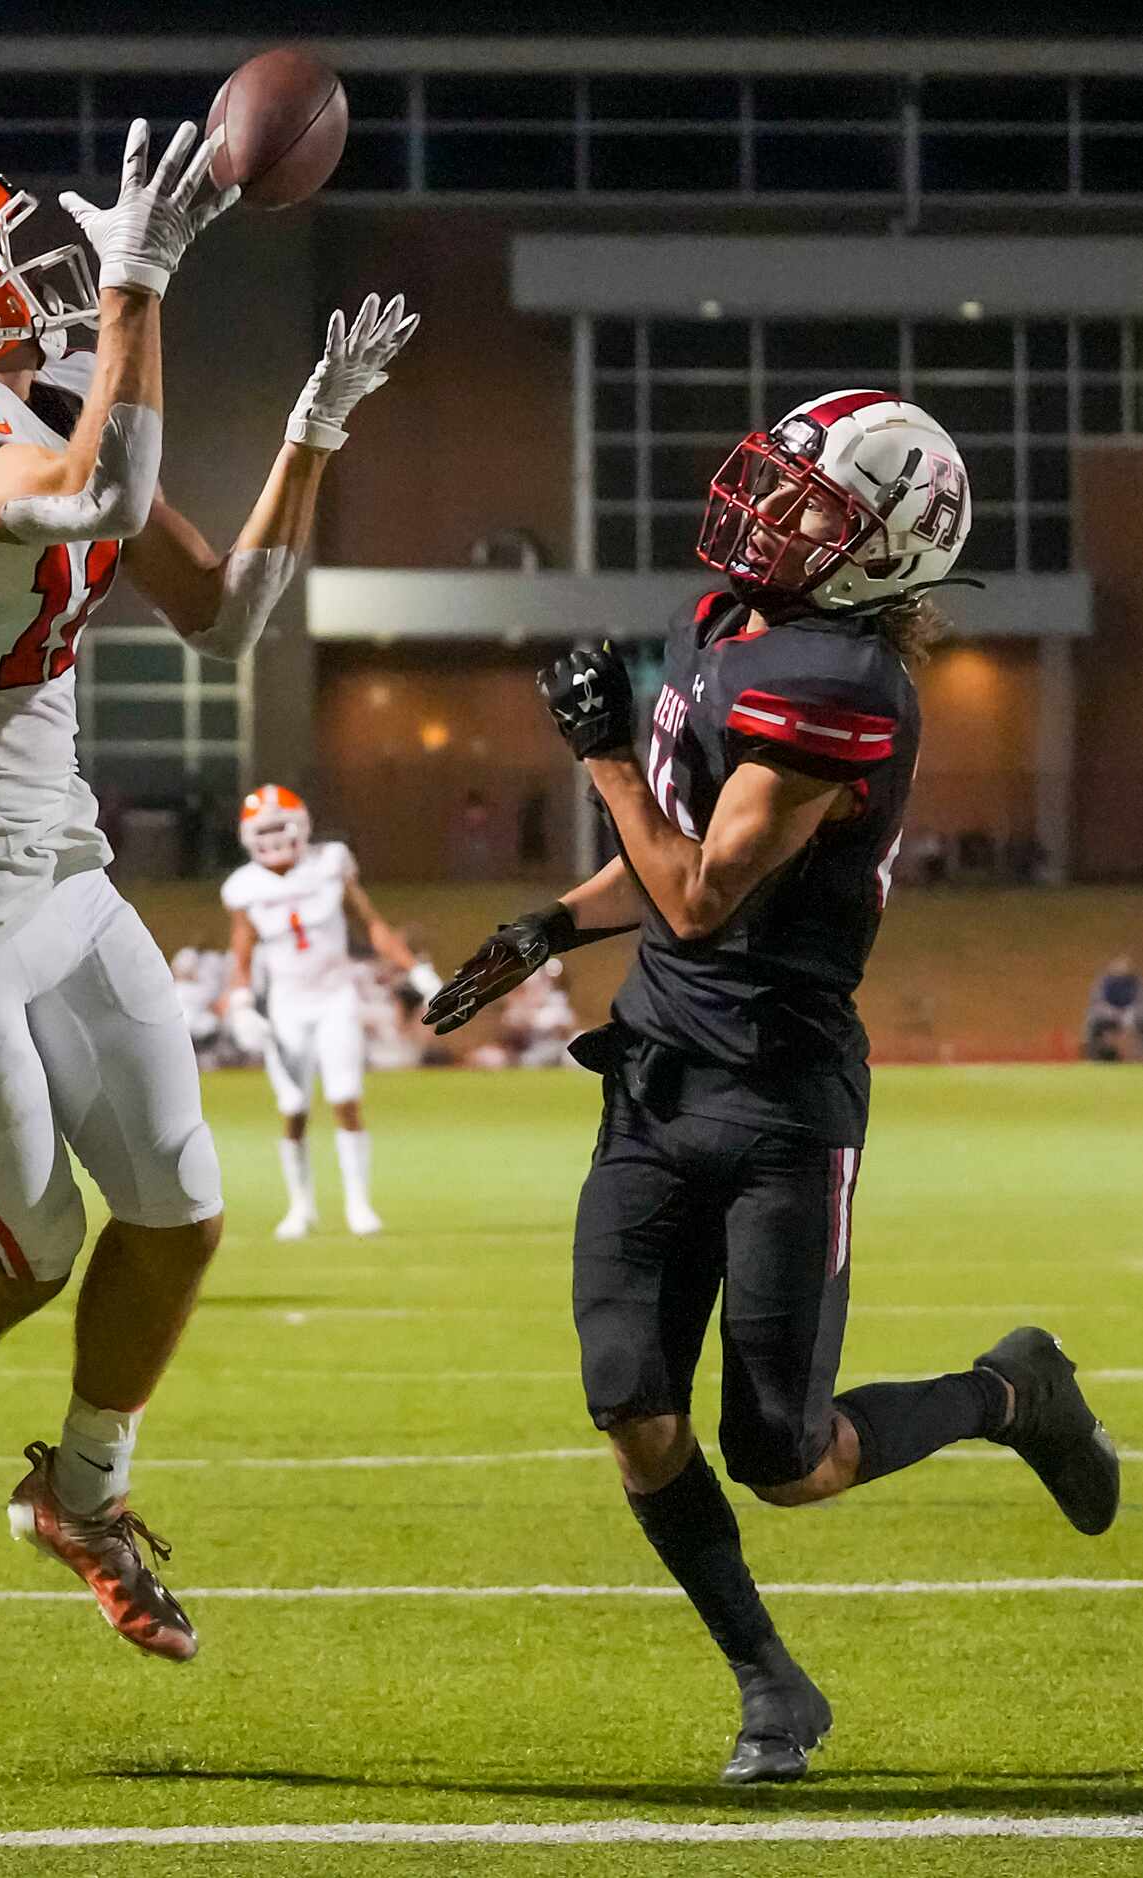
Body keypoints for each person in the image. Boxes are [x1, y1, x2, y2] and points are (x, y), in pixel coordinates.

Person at [425, 390, 1119, 1783]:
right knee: (628, 1398)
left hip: (777, 1100)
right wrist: (543, 929)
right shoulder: (732, 626)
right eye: (779, 484)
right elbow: (667, 861)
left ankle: (1010, 1391)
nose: (770, 511)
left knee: (785, 1454)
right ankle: (769, 1683)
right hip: (656, 1075)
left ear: (882, 548)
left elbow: (700, 892)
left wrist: (605, 753)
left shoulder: (841, 685)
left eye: (812, 505)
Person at [0, 129, 417, 1659]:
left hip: (59, 877)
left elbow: (231, 614)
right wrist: (141, 284)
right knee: (28, 1247)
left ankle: (83, 1488)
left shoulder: (31, 404)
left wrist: (314, 429)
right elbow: (87, 500)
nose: (35, 273)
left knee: (183, 1207)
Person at [221, 786, 442, 1239]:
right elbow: (240, 957)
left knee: (345, 1099)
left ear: (302, 824)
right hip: (287, 1002)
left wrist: (415, 970)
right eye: (265, 830)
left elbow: (372, 924)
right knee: (294, 1108)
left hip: (335, 994)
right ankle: (300, 1207)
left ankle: (357, 1204)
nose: (275, 837)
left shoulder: (329, 863)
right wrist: (241, 1003)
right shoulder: (244, 888)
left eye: (281, 825)